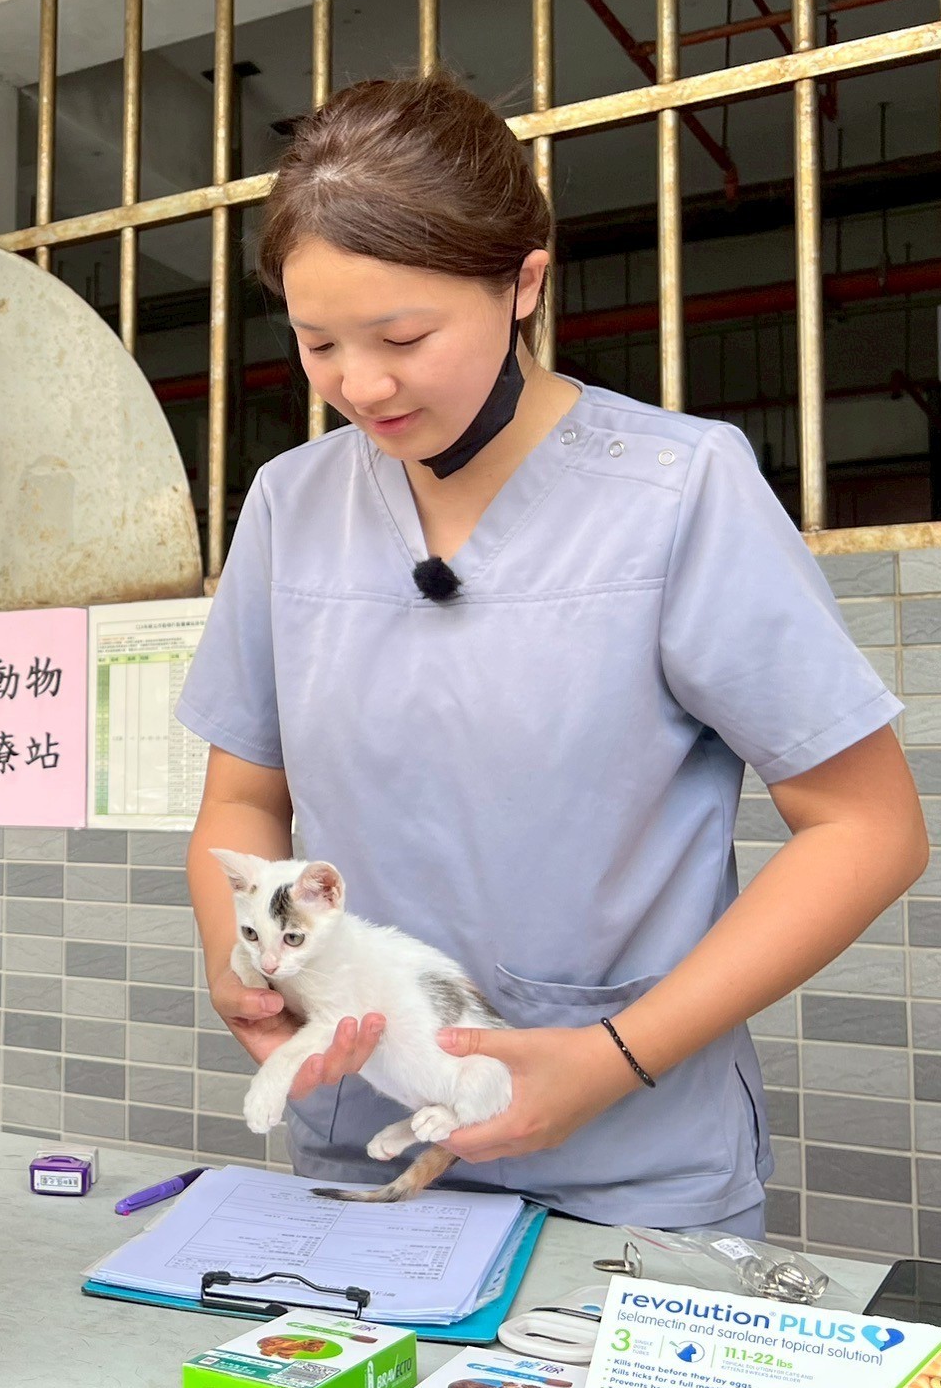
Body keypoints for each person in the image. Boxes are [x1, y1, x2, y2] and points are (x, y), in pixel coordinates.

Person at [179, 73, 928, 1235]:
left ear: (523, 280)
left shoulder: (679, 489)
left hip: (628, 1160)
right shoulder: (288, 502)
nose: (357, 385)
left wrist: (608, 1056)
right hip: (365, 1147)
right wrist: (237, 961)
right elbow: (242, 794)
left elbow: (868, 827)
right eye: (316, 341)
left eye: (404, 336)